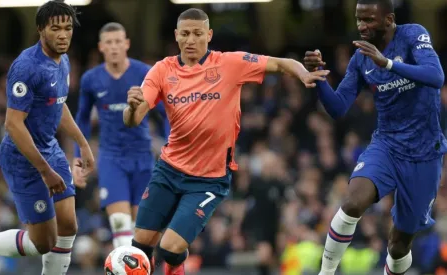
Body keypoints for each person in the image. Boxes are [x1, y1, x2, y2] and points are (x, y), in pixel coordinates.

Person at [124, 8, 328, 275]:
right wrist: (131, 107)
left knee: (170, 248)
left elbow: (280, 63)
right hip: (168, 170)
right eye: (185, 34)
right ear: (176, 36)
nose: (191, 40)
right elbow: (134, 118)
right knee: (140, 246)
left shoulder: (230, 64)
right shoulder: (163, 70)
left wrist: (302, 74)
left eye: (197, 34)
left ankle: (176, 261)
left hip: (208, 179)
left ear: (208, 35)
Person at [303, 0, 446, 274]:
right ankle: (326, 271)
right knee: (353, 202)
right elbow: (338, 108)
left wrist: (388, 63)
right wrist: (318, 79)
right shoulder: (360, 59)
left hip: (424, 153)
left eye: (368, 19)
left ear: (389, 20)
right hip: (387, 145)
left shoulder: (413, 35)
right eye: (358, 19)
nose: (361, 26)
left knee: (399, 244)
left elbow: (436, 76)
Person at [0, 1, 95, 274]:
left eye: (68, 28)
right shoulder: (26, 67)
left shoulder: (63, 60)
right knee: (43, 243)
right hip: (23, 158)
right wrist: (45, 172)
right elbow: (13, 125)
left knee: (69, 225)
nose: (63, 34)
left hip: (49, 149)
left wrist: (82, 143)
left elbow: (58, 103)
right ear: (41, 29)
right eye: (56, 28)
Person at [73, 22, 168, 248]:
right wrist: (78, 158)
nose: (114, 47)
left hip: (142, 156)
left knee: (143, 228)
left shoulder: (144, 73)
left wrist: (170, 146)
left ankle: (140, 268)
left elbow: (166, 114)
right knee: (119, 222)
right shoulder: (91, 79)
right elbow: (83, 119)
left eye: (118, 42)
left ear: (126, 44)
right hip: (111, 158)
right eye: (109, 42)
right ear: (101, 47)